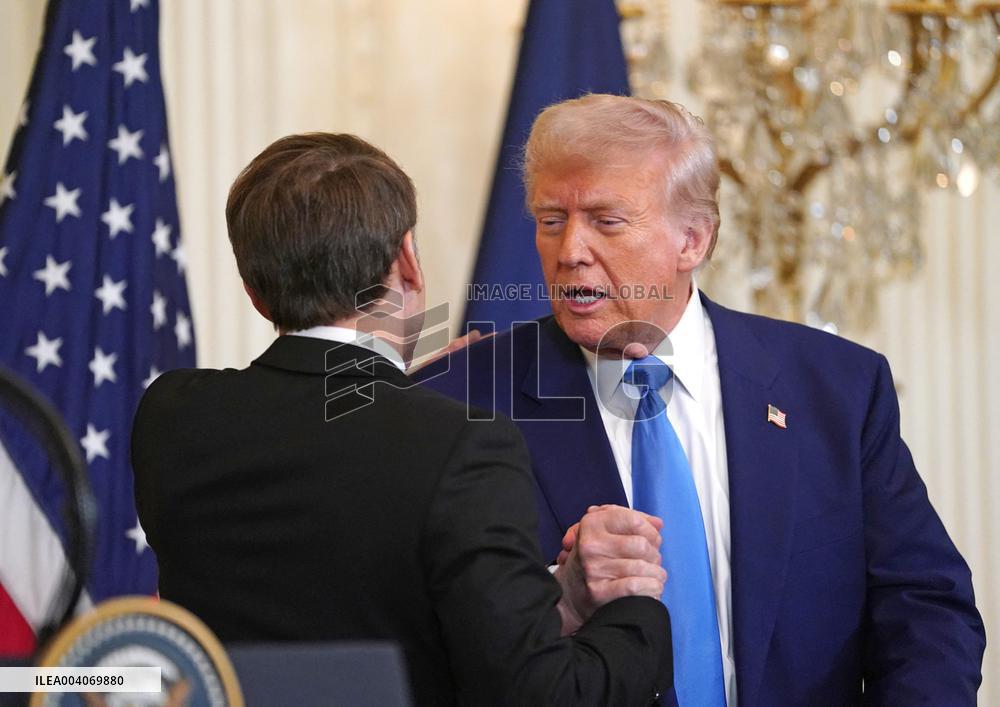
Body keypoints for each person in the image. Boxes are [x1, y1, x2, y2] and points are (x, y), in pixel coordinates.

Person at [415, 95, 986, 705]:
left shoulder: (836, 390)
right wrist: (560, 593)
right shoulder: (457, 403)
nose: (570, 250)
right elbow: (423, 634)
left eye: (606, 221)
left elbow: (925, 608)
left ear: (693, 239)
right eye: (551, 220)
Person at [130, 133, 675, 706]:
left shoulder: (172, 414)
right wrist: (635, 609)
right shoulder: (463, 446)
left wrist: (555, 594)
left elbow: (338, 574)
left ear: (255, 293)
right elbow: (543, 695)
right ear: (408, 262)